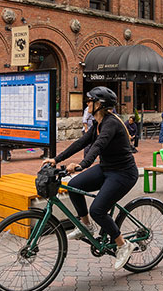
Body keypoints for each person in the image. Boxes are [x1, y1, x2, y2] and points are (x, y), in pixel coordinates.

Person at [42, 86, 139, 270]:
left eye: (90, 100)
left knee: (98, 210)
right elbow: (82, 142)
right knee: (75, 185)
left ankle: (123, 245)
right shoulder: (97, 123)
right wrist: (56, 159)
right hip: (106, 168)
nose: (87, 103)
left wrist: (81, 165)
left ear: (99, 104)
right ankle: (86, 226)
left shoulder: (111, 124)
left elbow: (98, 146)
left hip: (123, 173)